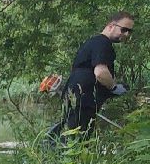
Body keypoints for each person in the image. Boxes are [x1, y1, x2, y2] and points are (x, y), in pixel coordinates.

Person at [52, 12, 133, 143]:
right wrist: (113, 87)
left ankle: (51, 155)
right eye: (124, 30)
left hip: (77, 98)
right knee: (77, 142)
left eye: (130, 31)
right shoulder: (102, 43)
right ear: (111, 26)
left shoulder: (93, 42)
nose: (127, 34)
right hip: (84, 101)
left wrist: (108, 92)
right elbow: (100, 72)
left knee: (69, 137)